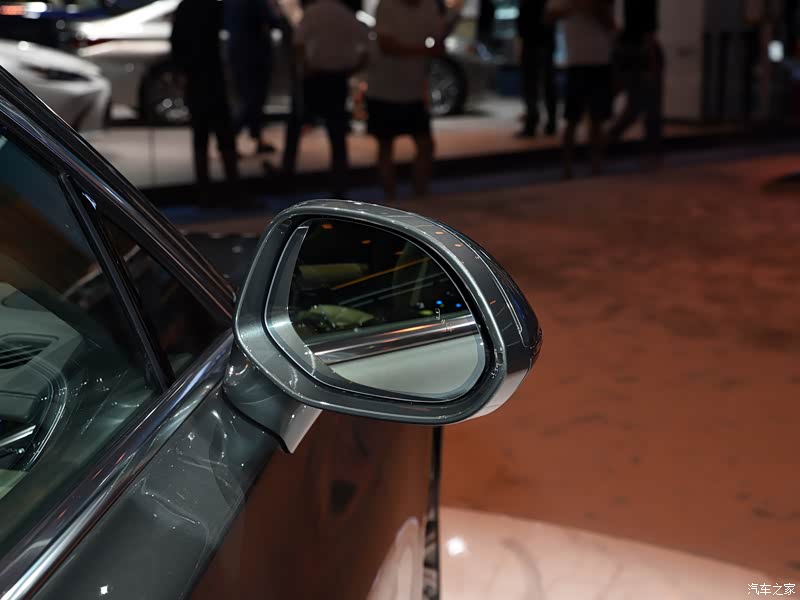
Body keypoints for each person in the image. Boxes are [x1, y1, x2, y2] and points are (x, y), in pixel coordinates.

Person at [366, 0, 458, 201]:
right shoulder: (387, 6)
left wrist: (453, 16)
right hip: (384, 88)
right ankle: (391, 198)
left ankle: (419, 194)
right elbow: (386, 45)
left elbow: (438, 36)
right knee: (386, 145)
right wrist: (425, 50)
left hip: (412, 90)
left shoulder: (428, 6)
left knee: (425, 145)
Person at [281, 0, 369, 197]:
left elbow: (298, 44)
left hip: (314, 78)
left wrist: (305, 68)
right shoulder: (345, 14)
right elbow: (366, 46)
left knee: (296, 126)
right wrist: (351, 69)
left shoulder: (313, 12)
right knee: (337, 135)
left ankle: (287, 177)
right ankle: (339, 185)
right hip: (336, 79)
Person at [170, 0, 240, 196]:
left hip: (195, 79)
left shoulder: (185, 7)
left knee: (200, 136)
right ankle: (234, 191)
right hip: (212, 77)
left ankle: (204, 192)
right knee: (224, 135)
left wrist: (180, 71)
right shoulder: (213, 7)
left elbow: (176, 42)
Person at [545, 0, 615, 179]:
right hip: (577, 61)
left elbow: (610, 24)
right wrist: (575, 7)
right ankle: (568, 166)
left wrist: (594, 8)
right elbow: (548, 17)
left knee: (597, 118)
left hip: (599, 59)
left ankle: (595, 164)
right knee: (572, 117)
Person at [225, 0, 286, 154]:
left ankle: (255, 137)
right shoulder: (258, 3)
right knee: (254, 100)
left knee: (247, 98)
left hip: (238, 53)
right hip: (256, 55)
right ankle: (229, 138)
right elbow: (274, 21)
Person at [607, 0, 663, 167]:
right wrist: (652, 61)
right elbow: (648, 31)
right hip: (639, 50)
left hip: (626, 47)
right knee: (649, 104)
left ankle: (609, 137)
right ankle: (652, 150)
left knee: (635, 103)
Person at [516, 0, 557, 137]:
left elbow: (523, 23)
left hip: (532, 43)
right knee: (547, 84)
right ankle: (550, 123)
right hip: (545, 43)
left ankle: (532, 122)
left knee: (531, 85)